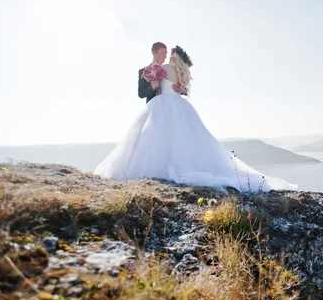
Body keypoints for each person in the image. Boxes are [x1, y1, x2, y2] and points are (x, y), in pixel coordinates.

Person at [94, 45, 295, 192]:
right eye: (162, 52)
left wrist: (179, 89)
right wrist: (154, 85)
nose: (165, 55)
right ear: (154, 53)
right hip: (157, 107)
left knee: (182, 136)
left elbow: (178, 86)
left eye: (167, 53)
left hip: (173, 105)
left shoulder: (168, 69)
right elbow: (142, 93)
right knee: (149, 139)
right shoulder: (147, 70)